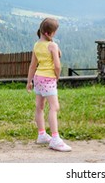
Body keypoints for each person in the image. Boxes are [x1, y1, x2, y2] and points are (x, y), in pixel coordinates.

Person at [25, 17, 71, 152]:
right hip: (48, 78)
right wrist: (57, 76)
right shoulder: (52, 46)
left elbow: (32, 65)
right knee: (54, 107)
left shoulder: (37, 45)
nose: (55, 34)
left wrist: (29, 81)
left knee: (39, 107)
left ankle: (42, 134)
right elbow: (57, 65)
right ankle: (55, 139)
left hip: (38, 78)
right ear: (48, 33)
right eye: (54, 32)